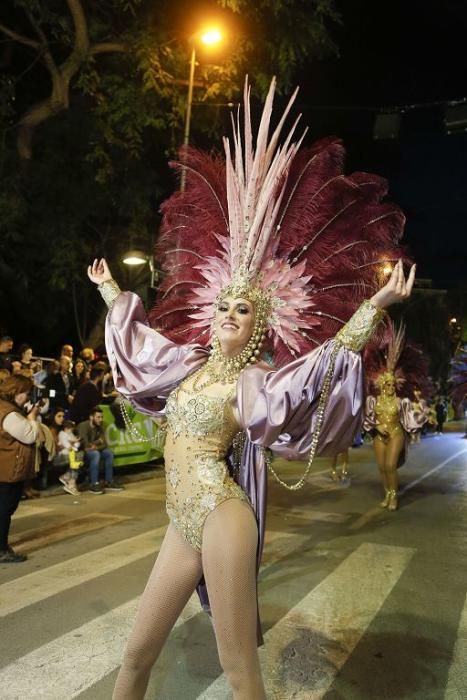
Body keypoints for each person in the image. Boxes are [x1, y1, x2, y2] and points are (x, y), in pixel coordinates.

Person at [88, 78, 416, 699]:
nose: (230, 313)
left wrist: (374, 304)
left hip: (220, 514)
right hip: (179, 517)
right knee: (135, 656)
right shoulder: (186, 363)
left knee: (239, 671)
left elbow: (319, 367)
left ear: (260, 323)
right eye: (224, 306)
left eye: (244, 309)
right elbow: (138, 349)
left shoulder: (255, 381)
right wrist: (108, 291)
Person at [364, 324, 427, 511]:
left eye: (393, 384)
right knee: (382, 467)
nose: (390, 387)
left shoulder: (401, 402)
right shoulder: (372, 401)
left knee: (391, 465)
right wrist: (376, 427)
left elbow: (414, 415)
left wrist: (420, 405)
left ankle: (394, 496)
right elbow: (365, 419)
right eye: (388, 385)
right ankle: (387, 492)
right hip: (379, 434)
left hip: (395, 432)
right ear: (382, 386)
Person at [0, 375, 47, 562]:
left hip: (4, 467)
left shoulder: (6, 408)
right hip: (9, 469)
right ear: (16, 391)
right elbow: (29, 435)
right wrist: (33, 416)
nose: (27, 397)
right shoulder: (9, 413)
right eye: (26, 393)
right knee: (4, 510)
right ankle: (1, 549)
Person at [78, 407, 123, 494]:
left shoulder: (102, 426)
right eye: (98, 417)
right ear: (91, 417)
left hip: (94, 450)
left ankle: (108, 481)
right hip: (82, 452)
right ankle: (93, 483)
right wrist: (98, 442)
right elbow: (85, 445)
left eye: (102, 417)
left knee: (108, 453)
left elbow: (105, 443)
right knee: (95, 454)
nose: (101, 419)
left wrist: (97, 446)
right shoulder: (83, 426)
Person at [57, 420, 82, 496]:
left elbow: (77, 443)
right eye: (70, 429)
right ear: (66, 428)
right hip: (63, 454)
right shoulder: (62, 434)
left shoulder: (70, 434)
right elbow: (66, 445)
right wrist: (72, 443)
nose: (71, 430)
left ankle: (67, 477)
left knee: (78, 460)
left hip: (72, 452)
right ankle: (71, 484)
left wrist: (74, 443)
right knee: (77, 460)